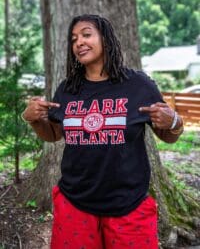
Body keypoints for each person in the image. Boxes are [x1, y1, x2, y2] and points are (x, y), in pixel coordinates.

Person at [22, 14, 184, 249]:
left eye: (86, 34)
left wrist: (173, 121)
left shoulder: (137, 85)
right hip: (75, 201)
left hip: (128, 203)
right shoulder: (68, 89)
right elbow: (54, 134)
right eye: (74, 38)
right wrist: (35, 120)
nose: (79, 42)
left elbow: (168, 136)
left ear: (106, 40)